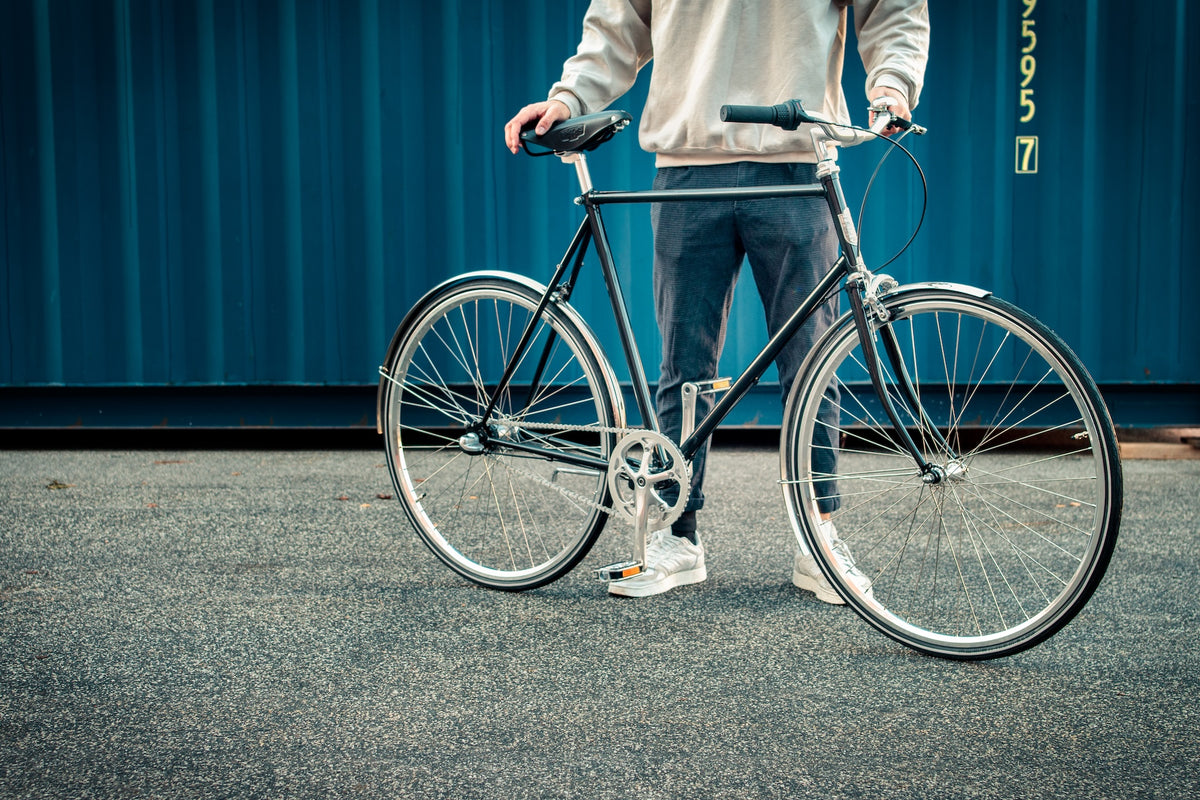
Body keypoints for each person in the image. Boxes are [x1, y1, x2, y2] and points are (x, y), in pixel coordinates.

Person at [504, 0, 929, 600]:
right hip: (687, 165)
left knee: (815, 361)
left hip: (797, 162)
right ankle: (676, 534)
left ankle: (818, 535)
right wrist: (569, 97)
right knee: (684, 360)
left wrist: (892, 82)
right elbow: (618, 23)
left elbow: (895, 9)